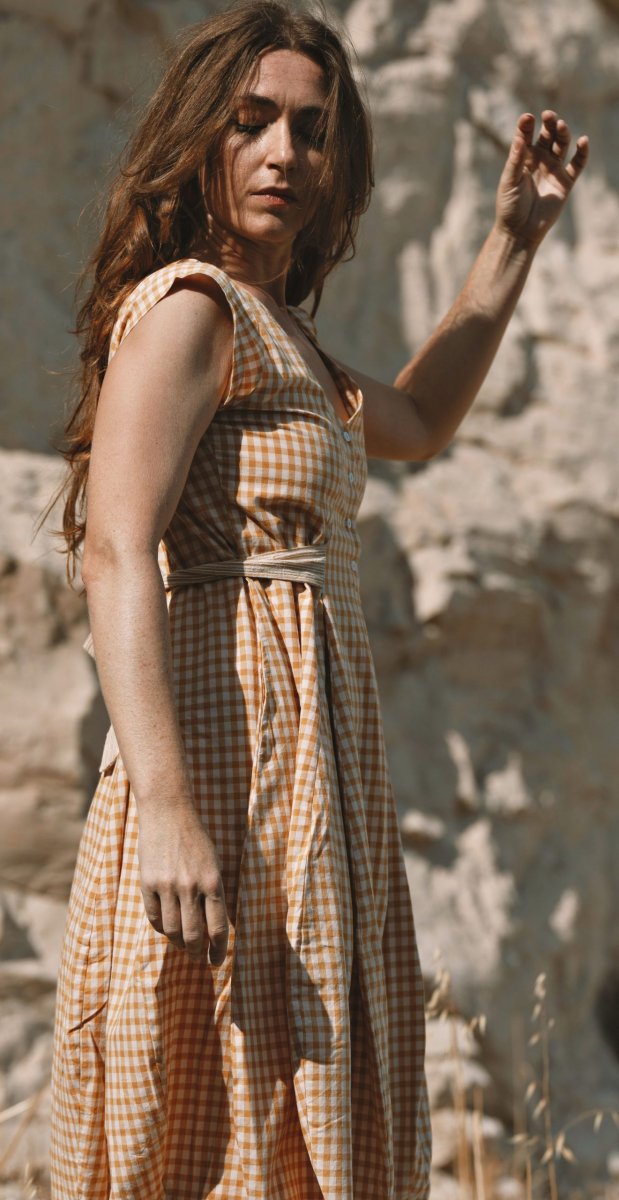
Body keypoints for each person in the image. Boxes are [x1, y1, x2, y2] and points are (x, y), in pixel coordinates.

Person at [46, 1, 589, 1196]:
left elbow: (419, 417)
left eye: (310, 128)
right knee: (207, 1106)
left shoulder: (280, 336)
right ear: (198, 138)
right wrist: (168, 809)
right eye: (249, 122)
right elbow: (116, 553)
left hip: (308, 779)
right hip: (220, 765)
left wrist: (511, 238)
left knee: (292, 1119)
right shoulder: (191, 309)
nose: (283, 152)